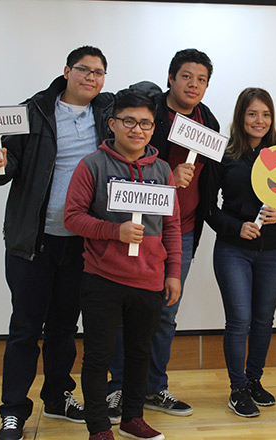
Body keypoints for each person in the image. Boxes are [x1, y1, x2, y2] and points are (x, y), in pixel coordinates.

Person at [0, 46, 113, 440]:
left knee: (63, 327)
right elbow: (6, 169)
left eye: (99, 72)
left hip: (81, 242)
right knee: (25, 327)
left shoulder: (107, 113)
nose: (91, 78)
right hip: (33, 243)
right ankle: (13, 411)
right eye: (84, 70)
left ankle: (57, 397)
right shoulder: (33, 111)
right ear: (66, 71)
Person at [107, 48, 219, 420]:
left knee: (166, 312)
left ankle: (155, 388)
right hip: (139, 229)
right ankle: (120, 387)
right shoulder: (148, 113)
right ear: (171, 78)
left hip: (182, 231)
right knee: (128, 310)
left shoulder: (210, 124)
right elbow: (129, 163)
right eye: (186, 76)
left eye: (201, 79)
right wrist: (172, 175)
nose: (194, 84)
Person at [64, 89, 182, 440]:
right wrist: (114, 231)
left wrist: (173, 272)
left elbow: (171, 227)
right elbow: (72, 218)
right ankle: (99, 426)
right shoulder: (92, 166)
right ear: (113, 124)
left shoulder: (162, 171)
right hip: (103, 278)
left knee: (139, 355)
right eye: (129, 121)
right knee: (98, 356)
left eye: (145, 123)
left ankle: (132, 418)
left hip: (148, 279)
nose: (137, 129)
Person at [206, 88, 276, 417]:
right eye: (252, 114)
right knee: (239, 320)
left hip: (274, 251)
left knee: (263, 321)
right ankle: (237, 389)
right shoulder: (224, 154)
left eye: (265, 114)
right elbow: (208, 208)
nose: (259, 120)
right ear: (240, 117)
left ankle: (254, 381)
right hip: (234, 250)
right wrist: (236, 227)